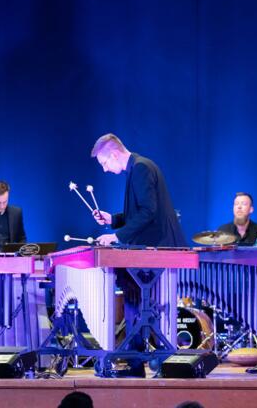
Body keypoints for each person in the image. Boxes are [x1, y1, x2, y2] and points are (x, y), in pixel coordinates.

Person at [91, 133, 186, 376]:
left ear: (114, 154)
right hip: (149, 247)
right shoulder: (136, 168)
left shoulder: (141, 168)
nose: (104, 169)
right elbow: (139, 213)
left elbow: (148, 212)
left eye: (104, 163)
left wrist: (117, 236)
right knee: (133, 300)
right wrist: (113, 220)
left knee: (139, 303)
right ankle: (135, 363)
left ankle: (148, 359)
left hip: (158, 247)